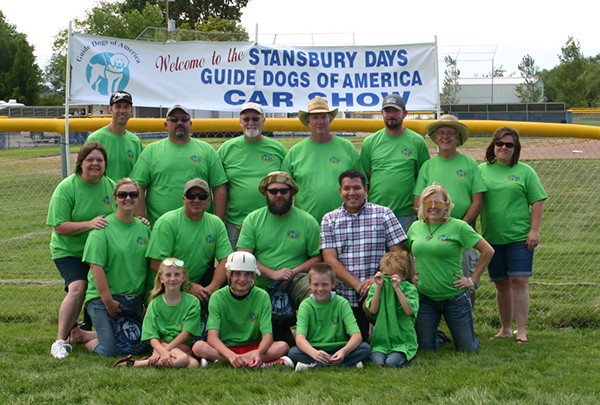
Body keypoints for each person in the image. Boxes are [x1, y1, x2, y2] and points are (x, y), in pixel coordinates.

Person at [320, 169, 408, 342]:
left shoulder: (383, 214)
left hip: (379, 288)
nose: (352, 193)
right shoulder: (329, 219)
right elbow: (330, 260)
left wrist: (376, 280)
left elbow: (398, 254)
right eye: (346, 188)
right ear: (340, 191)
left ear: (366, 189)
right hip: (344, 294)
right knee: (354, 341)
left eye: (357, 188)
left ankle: (382, 329)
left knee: (372, 338)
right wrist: (357, 284)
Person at [46, 142, 115, 359]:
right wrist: (89, 224)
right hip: (70, 250)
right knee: (78, 287)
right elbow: (59, 226)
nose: (95, 164)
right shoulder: (67, 188)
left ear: (105, 164)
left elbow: (120, 214)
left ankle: (81, 332)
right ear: (80, 163)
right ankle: (60, 340)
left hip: (98, 251)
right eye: (90, 160)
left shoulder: (110, 186)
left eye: (100, 160)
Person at [237, 171, 321, 345]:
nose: (279, 195)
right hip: (259, 279)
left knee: (315, 292)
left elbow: (317, 257)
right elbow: (243, 256)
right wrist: (273, 274)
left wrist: (291, 273)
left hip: (296, 278)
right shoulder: (253, 219)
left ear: (292, 193)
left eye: (284, 190)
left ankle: (311, 341)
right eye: (273, 191)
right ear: (265, 193)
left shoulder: (308, 221)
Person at [407, 184, 494, 351]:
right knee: (425, 348)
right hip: (425, 298)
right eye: (428, 203)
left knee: (468, 349)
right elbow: (406, 251)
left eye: (438, 203)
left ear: (447, 205)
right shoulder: (415, 227)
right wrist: (412, 273)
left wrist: (472, 279)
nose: (433, 207)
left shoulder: (459, 227)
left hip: (454, 297)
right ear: (422, 205)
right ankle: (439, 337)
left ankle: (462, 336)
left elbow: (488, 251)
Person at [480, 127, 547, 343]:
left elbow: (537, 200)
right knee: (501, 283)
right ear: (493, 146)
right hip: (492, 238)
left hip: (519, 237)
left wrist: (534, 230)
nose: (504, 148)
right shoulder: (481, 170)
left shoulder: (525, 171)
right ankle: (505, 329)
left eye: (509, 144)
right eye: (500, 143)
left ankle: (522, 331)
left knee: (519, 281)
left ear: (515, 148)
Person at [69, 179, 150, 357]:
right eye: (122, 194)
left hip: (134, 301)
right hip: (103, 300)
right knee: (110, 350)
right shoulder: (102, 229)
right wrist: (108, 302)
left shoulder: (144, 229)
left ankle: (93, 334)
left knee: (138, 347)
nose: (128, 198)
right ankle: (81, 336)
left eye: (133, 194)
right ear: (115, 198)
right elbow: (96, 268)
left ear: (138, 199)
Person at [414, 114, 487, 306]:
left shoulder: (469, 163)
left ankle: (466, 321)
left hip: (461, 232)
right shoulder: (427, 166)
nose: (445, 137)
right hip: (433, 231)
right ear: (436, 137)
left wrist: (459, 226)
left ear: (458, 138)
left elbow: (477, 200)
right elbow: (418, 201)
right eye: (441, 133)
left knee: (465, 279)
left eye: (450, 133)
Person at [192, 252, 293, 368]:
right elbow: (212, 337)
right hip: (226, 348)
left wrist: (258, 353)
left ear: (253, 276)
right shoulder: (217, 297)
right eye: (237, 274)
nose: (242, 279)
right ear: (229, 275)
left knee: (282, 346)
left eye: (247, 274)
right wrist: (230, 355)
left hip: (254, 346)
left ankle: (223, 361)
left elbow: (267, 336)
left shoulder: (262, 296)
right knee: (198, 346)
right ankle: (252, 361)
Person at [131, 105, 228, 225]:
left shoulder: (207, 150)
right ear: (166, 125)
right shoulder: (151, 151)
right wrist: (141, 221)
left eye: (184, 119)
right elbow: (138, 186)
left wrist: (218, 223)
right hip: (161, 227)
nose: (179, 122)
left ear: (190, 123)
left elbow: (219, 187)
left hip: (200, 226)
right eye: (174, 119)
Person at [145, 178, 232, 306]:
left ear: (209, 200)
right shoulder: (167, 222)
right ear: (183, 198)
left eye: (202, 196)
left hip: (198, 288)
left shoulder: (216, 223)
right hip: (166, 288)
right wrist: (188, 286)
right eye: (191, 196)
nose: (196, 200)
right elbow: (156, 263)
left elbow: (226, 260)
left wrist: (212, 288)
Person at [281, 97, 365, 223]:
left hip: (345, 222)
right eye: (315, 117)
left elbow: (362, 185)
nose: (320, 121)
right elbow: (283, 190)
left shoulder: (347, 147)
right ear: (308, 122)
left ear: (330, 120)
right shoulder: (295, 152)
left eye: (324, 117)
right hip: (307, 223)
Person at [217, 102, 287, 249]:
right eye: (246, 119)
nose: (251, 123)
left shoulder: (277, 149)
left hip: (271, 222)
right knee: (237, 268)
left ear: (263, 121)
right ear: (240, 122)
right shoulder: (227, 149)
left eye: (255, 118)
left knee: (268, 267)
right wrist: (219, 221)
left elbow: (288, 185)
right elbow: (218, 187)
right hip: (236, 224)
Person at [113, 258, 202, 368]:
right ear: (161, 279)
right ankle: (135, 364)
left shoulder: (192, 302)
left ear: (184, 278)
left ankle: (146, 362)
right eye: (168, 275)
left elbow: (186, 332)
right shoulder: (155, 303)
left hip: (182, 346)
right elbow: (151, 335)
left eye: (177, 275)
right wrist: (162, 350)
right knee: (182, 360)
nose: (173, 279)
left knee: (193, 365)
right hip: (161, 345)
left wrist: (166, 351)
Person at [360, 95, 430, 231]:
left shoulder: (417, 142)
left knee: (403, 252)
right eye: (387, 111)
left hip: (405, 214)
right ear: (382, 113)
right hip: (376, 213)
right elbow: (367, 178)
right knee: (377, 253)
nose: (391, 115)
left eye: (395, 111)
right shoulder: (370, 142)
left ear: (405, 113)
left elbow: (422, 177)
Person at [288, 262, 371, 371]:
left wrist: (344, 352)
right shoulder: (305, 305)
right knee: (293, 352)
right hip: (315, 347)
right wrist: (314, 353)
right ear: (309, 284)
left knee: (365, 348)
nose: (320, 289)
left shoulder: (342, 303)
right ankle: (347, 363)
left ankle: (314, 364)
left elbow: (356, 335)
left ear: (333, 284)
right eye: (316, 285)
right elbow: (300, 338)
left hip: (339, 346)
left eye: (325, 284)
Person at [367, 251, 418, 368]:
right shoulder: (376, 287)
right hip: (382, 341)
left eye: (393, 276)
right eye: (386, 275)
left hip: (402, 341)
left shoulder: (410, 289)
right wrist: (378, 287)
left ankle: (407, 355)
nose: (389, 280)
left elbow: (409, 311)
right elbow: (373, 310)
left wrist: (397, 289)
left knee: (392, 363)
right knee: (377, 361)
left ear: (404, 276)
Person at [85, 91, 142, 182]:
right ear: (110, 109)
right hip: (102, 194)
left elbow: (139, 174)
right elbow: (82, 172)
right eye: (118, 106)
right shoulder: (96, 138)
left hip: (126, 195)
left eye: (126, 107)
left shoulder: (135, 141)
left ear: (131, 110)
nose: (122, 111)